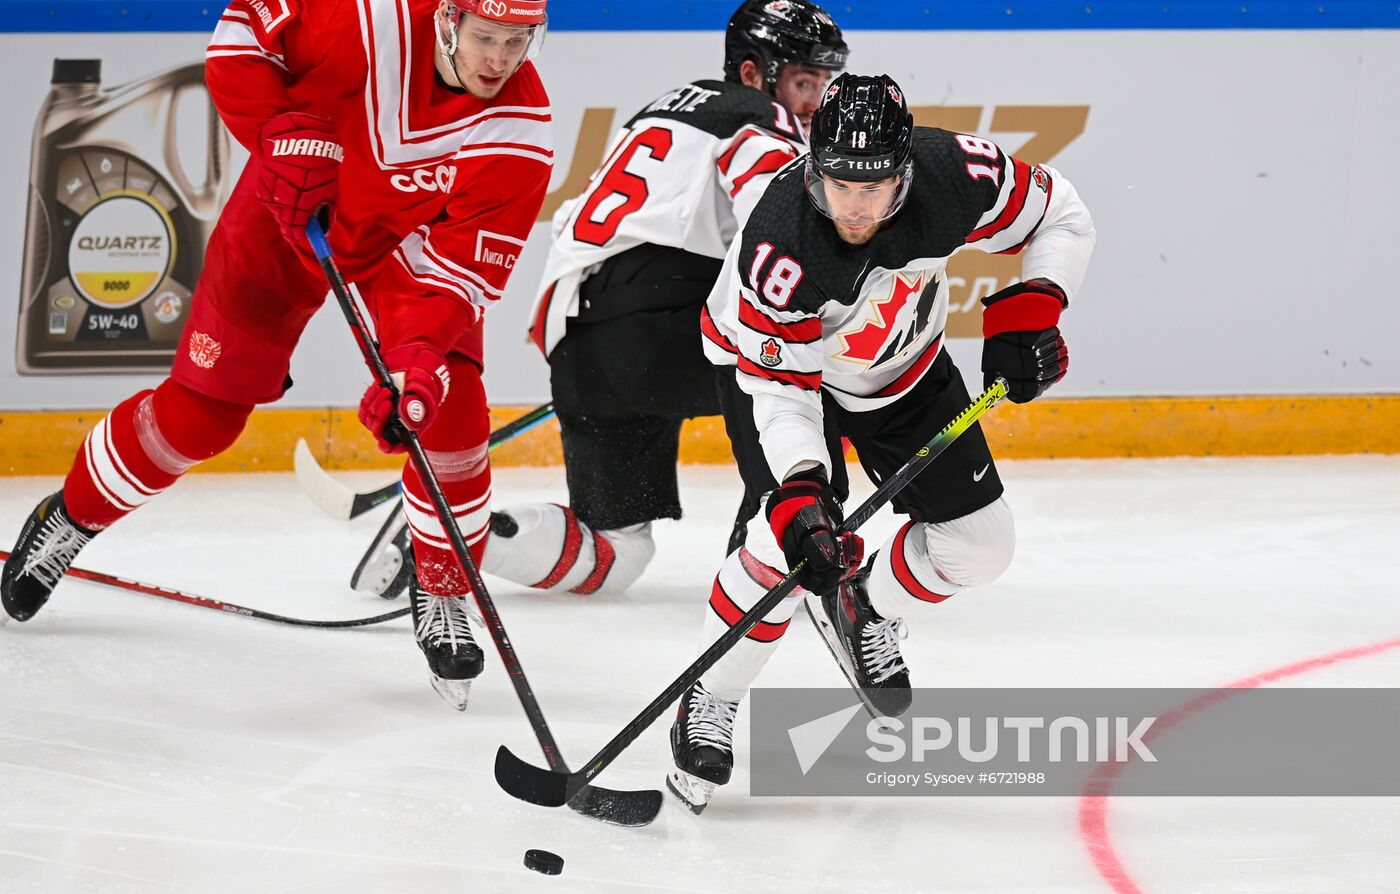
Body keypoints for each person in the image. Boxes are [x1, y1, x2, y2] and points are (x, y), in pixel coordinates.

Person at [0, 0, 554, 712]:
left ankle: (443, 587)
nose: (499, 61)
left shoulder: (522, 127)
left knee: (448, 402)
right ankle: (69, 519)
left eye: (518, 43)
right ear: (447, 19)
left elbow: (452, 277)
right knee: (197, 422)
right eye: (486, 38)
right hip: (284, 214)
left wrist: (416, 365)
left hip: (405, 255)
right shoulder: (361, 15)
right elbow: (239, 37)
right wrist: (279, 133)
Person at [665, 72, 1096, 812]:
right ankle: (713, 692)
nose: (855, 207)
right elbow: (782, 394)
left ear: (905, 171)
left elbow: (1064, 214)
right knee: (784, 543)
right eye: (838, 185)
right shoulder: (782, 248)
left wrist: (1037, 303)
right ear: (811, 166)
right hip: (772, 378)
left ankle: (866, 602)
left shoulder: (955, 175)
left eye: (874, 187)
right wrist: (801, 490)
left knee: (981, 545)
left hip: (904, 366)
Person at [351, 0, 849, 602]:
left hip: (578, 341)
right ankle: (772, 569)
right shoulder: (762, 118)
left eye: (825, 84)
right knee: (809, 383)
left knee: (617, 550)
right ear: (753, 73)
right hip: (657, 318)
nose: (818, 103)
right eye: (805, 83)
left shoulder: (661, 112)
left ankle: (451, 531)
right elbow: (773, 223)